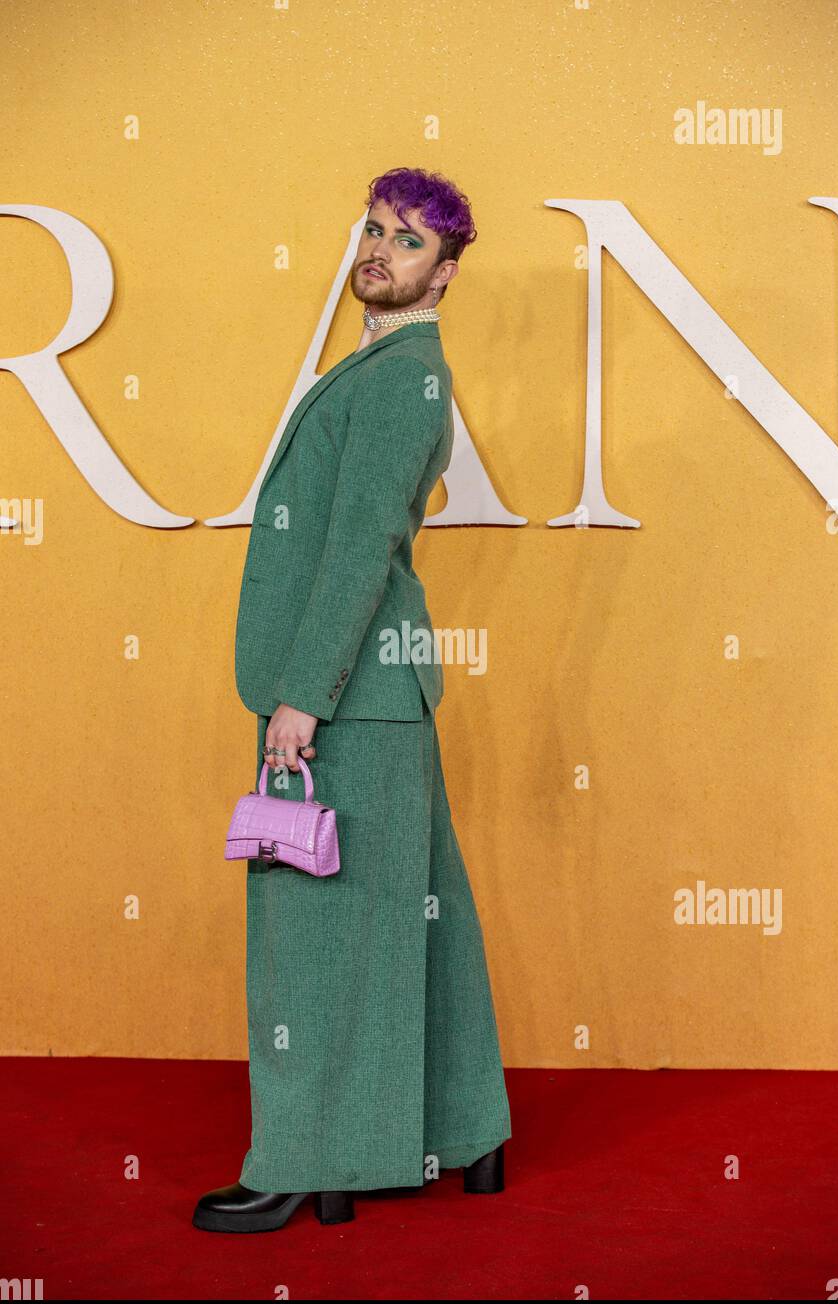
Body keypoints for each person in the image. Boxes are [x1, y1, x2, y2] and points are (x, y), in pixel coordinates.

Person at [193, 167, 511, 1233]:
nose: (381, 249)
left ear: (444, 274)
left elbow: (359, 550)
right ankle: (469, 1131)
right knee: (425, 914)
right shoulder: (385, 368)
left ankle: (308, 1156)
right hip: (382, 698)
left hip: (344, 698)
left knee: (313, 933)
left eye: (408, 240)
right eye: (374, 229)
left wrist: (300, 698)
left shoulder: (404, 378)